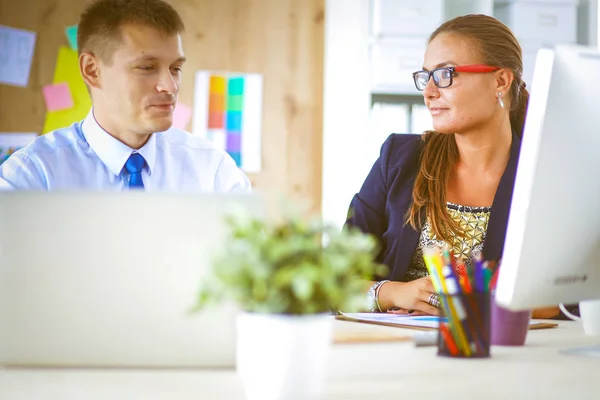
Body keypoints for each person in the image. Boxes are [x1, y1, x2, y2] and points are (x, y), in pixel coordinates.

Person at [346, 14, 561, 319]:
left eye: (446, 74)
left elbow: (571, 296)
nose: (429, 91)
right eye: (425, 76)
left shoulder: (545, 174)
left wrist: (479, 304)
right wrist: (392, 291)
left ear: (500, 80)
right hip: (393, 350)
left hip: (500, 355)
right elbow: (333, 278)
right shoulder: (398, 158)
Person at [0, 0, 250, 192]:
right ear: (92, 70)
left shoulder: (214, 174)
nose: (170, 86)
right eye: (147, 67)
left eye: (176, 68)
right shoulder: (31, 177)